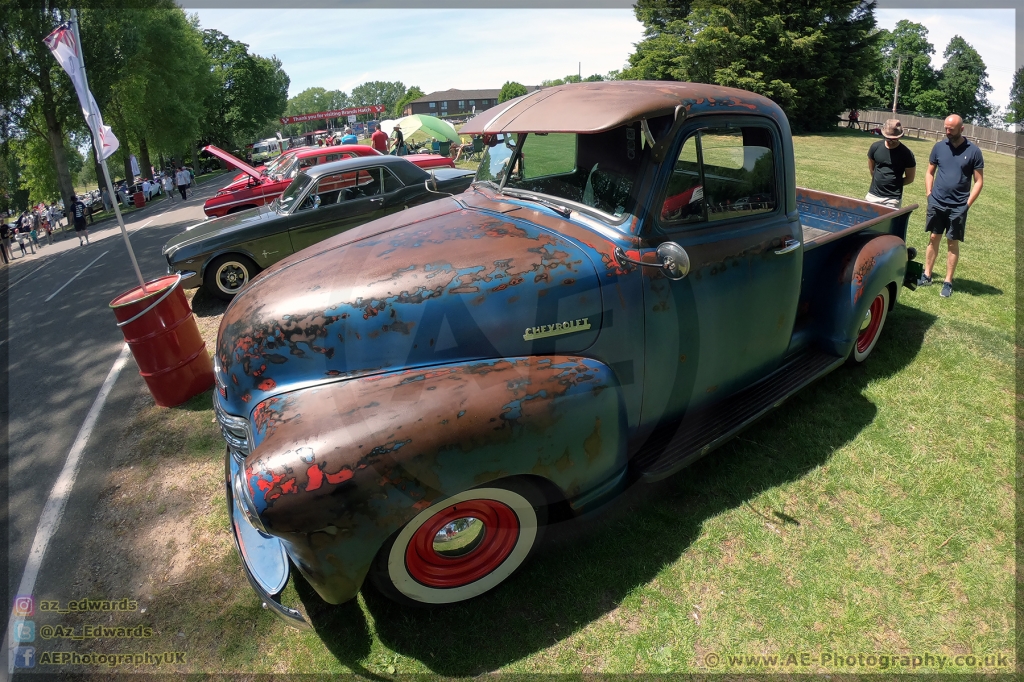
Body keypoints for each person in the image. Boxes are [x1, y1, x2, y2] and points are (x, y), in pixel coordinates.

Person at [920, 114, 984, 298]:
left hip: (958, 206)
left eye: (951, 129)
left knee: (952, 242)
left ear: (961, 129)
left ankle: (948, 281)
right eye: (946, 128)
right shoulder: (939, 147)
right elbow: (929, 172)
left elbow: (979, 181)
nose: (947, 132)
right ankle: (927, 275)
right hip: (937, 202)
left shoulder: (974, 151)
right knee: (933, 238)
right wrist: (929, 194)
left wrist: (967, 204)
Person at [864, 119, 915, 209]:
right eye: (888, 138)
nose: (890, 141)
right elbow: (872, 170)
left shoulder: (906, 154)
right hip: (872, 196)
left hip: (892, 200)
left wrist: (894, 184)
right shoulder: (875, 147)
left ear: (900, 137)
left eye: (894, 139)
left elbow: (910, 178)